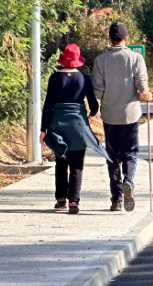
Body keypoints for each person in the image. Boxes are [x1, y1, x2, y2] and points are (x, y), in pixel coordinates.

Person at [93, 22, 152, 212]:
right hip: (130, 114)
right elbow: (142, 87)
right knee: (130, 152)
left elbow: (98, 91)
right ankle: (128, 182)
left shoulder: (100, 60)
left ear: (110, 39)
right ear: (127, 39)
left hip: (109, 114)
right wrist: (148, 95)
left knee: (112, 156)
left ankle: (116, 199)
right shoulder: (136, 58)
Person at [40, 44, 106, 214]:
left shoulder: (54, 78)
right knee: (76, 164)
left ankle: (61, 199)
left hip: (57, 125)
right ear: (78, 60)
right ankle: (74, 202)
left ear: (63, 60)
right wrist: (90, 115)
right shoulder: (84, 79)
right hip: (77, 126)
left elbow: (48, 105)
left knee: (61, 161)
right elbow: (93, 104)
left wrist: (43, 129)